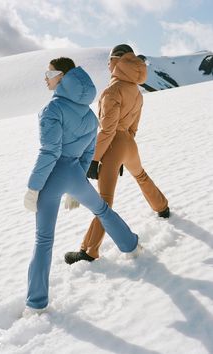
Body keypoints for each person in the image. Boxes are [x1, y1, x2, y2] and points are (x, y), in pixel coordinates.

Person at [23, 57, 141, 314]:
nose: (45, 77)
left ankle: (36, 303)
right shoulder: (89, 115)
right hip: (75, 174)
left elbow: (49, 151)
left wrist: (34, 188)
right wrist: (77, 181)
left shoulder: (52, 110)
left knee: (43, 239)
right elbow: (87, 154)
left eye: (49, 72)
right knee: (102, 210)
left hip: (52, 177)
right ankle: (131, 245)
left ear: (62, 77)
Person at [65, 44, 169, 265]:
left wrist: (94, 158)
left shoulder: (112, 91)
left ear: (118, 60)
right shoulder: (136, 90)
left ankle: (88, 251)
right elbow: (133, 127)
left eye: (109, 60)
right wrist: (125, 147)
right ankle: (162, 207)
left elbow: (107, 130)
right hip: (129, 143)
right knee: (141, 176)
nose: (108, 64)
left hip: (112, 145)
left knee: (104, 201)